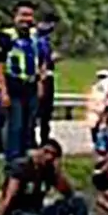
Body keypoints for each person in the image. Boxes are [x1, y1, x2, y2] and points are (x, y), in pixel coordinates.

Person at [0, 139, 89, 215]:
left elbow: (68, 193)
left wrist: (58, 172)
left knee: (79, 200)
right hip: (17, 214)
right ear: (38, 150)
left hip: (38, 211)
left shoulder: (49, 170)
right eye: (46, 151)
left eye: (52, 155)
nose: (48, 156)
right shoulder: (21, 167)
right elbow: (8, 197)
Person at [0, 0, 40, 160]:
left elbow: (39, 61)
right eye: (23, 15)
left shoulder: (35, 36)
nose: (26, 19)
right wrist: (3, 91)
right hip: (13, 84)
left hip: (31, 85)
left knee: (29, 124)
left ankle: (25, 156)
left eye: (29, 15)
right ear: (15, 16)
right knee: (16, 124)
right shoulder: (7, 36)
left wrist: (40, 84)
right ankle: (13, 158)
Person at [35, 10, 59, 148]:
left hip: (43, 75)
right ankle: (43, 139)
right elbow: (43, 60)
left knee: (43, 112)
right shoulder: (41, 39)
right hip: (43, 77)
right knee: (44, 112)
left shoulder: (41, 37)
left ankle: (42, 137)